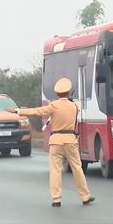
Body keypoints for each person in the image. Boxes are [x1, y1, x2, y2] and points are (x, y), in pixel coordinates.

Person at [5, 77, 94, 207]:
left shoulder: (53, 106)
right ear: (69, 92)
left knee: (55, 170)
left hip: (56, 141)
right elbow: (78, 106)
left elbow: (36, 111)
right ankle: (85, 196)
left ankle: (56, 199)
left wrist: (18, 111)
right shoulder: (74, 106)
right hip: (70, 140)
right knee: (77, 168)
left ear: (57, 93)